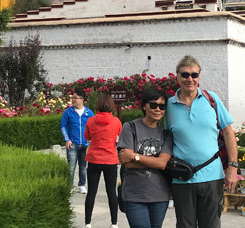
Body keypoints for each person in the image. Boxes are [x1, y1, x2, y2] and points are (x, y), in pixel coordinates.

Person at [165, 55, 239, 228]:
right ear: (177, 76)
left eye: (194, 75)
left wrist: (233, 168)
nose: (189, 79)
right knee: (184, 225)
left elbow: (228, 133)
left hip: (212, 176)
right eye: (185, 75)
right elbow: (166, 139)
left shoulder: (211, 99)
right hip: (182, 178)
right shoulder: (169, 106)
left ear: (199, 77)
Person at [117, 89, 173, 228]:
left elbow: (162, 164)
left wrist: (135, 156)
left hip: (160, 195)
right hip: (135, 194)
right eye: (153, 105)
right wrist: (154, 161)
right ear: (144, 106)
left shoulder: (166, 134)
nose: (158, 109)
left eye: (162, 106)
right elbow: (126, 162)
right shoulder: (130, 127)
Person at [83, 92, 123, 228]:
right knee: (111, 193)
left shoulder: (91, 120)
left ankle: (88, 223)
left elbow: (87, 137)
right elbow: (119, 137)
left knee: (91, 193)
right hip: (111, 160)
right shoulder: (116, 121)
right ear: (111, 106)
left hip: (94, 159)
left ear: (98, 105)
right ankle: (114, 223)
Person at [60, 88, 94, 193]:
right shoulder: (68, 112)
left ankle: (82, 185)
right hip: (72, 144)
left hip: (85, 144)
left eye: (76, 98)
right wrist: (67, 139)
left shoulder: (89, 113)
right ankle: (69, 186)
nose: (73, 100)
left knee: (83, 166)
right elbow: (62, 126)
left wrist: (91, 141)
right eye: (72, 98)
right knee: (71, 167)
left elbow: (93, 127)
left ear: (82, 99)